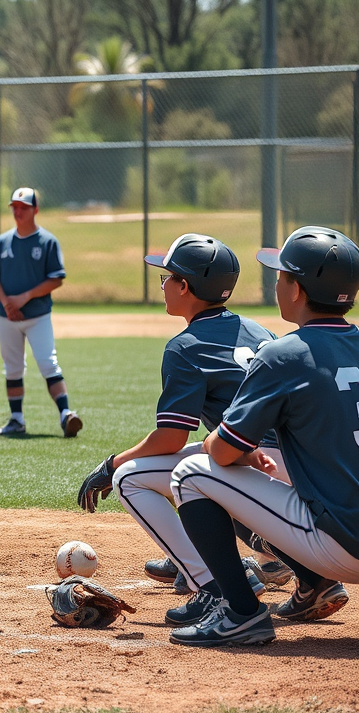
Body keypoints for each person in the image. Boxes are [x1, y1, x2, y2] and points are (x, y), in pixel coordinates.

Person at [76, 234, 293, 627]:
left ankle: (211, 584)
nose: (163, 285)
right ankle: (300, 577)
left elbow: (171, 437)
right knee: (200, 460)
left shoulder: (186, 345)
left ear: (185, 287)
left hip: (256, 462)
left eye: (168, 277)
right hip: (291, 463)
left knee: (129, 478)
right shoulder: (260, 331)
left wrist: (111, 463)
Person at [168, 225, 359, 647]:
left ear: (296, 290)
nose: (277, 283)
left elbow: (222, 451)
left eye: (282, 275)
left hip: (344, 546)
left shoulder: (284, 353)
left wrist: (230, 442)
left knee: (190, 473)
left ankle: (240, 612)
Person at [0, 187, 82, 438]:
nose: (18, 212)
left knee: (47, 363)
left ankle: (66, 415)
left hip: (37, 315)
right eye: (15, 207)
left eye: (24, 207)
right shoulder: (3, 241)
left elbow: (56, 279)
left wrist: (25, 297)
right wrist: (8, 303)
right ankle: (16, 419)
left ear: (35, 210)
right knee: (13, 367)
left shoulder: (47, 241)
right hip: (7, 316)